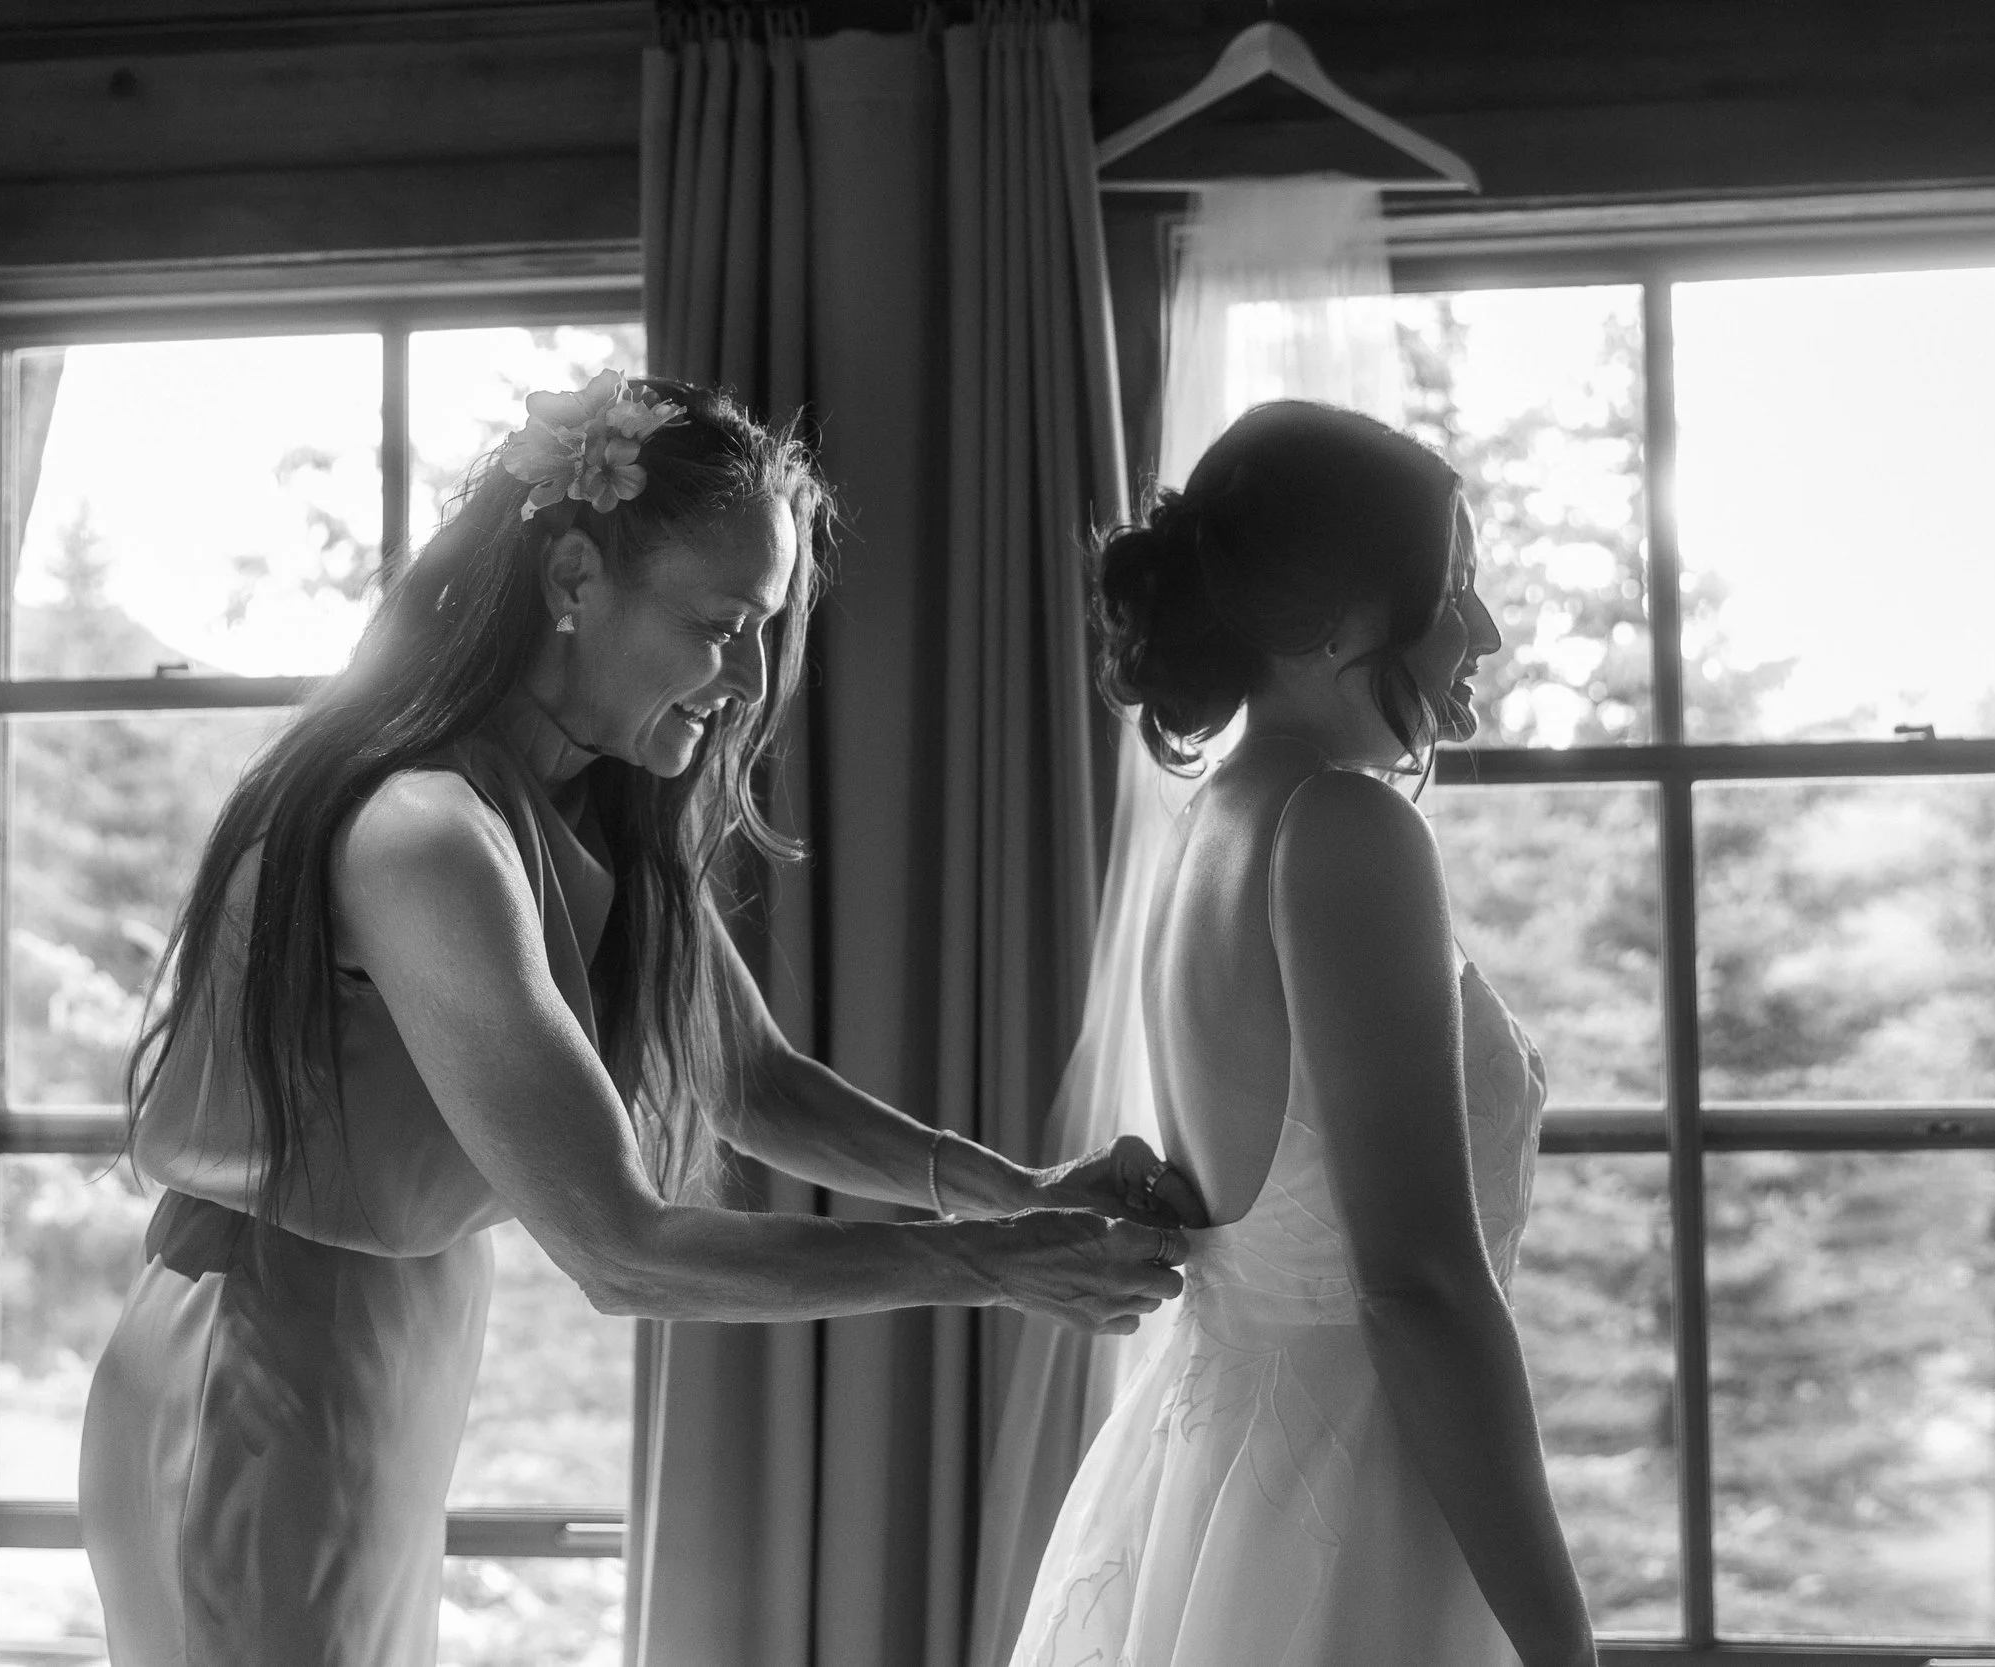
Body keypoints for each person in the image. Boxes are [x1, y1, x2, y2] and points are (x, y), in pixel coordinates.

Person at [79, 373, 1204, 1667]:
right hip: (266, 1352)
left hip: (385, 1341)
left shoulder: (579, 797)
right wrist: (994, 1266)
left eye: (766, 628)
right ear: (572, 576)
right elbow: (621, 1249)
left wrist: (1015, 1193)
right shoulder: (426, 833)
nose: (747, 675)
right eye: (721, 622)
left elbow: (752, 1078)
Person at [1009, 401, 1596, 1667]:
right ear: (1337, 615)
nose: (1485, 629)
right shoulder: (1343, 828)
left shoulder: (1214, 818)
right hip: (1349, 1496)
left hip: (1225, 1475)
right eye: (1454, 589)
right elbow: (1419, 1286)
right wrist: (1561, 1640)